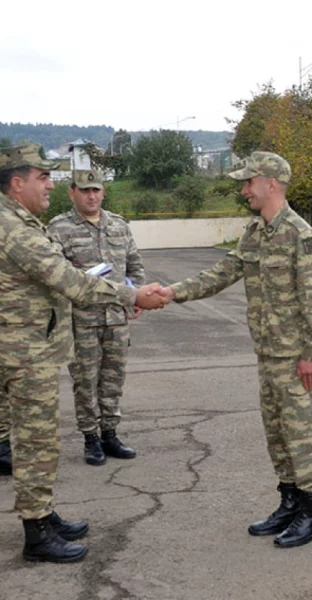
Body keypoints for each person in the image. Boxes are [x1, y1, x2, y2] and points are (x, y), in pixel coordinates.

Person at [153, 151, 312, 549]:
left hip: (293, 356)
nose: (244, 189)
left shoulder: (300, 235)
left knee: (302, 437)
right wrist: (172, 292)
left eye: (249, 182)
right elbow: (223, 272)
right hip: (267, 353)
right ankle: (289, 502)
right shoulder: (255, 232)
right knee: (277, 435)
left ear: (271, 183)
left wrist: (311, 354)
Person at [0, 143, 164, 563]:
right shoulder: (15, 228)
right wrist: (132, 295)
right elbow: (70, 281)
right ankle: (36, 533)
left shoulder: (21, 220)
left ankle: (42, 514)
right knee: (37, 442)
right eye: (42, 177)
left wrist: (132, 291)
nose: (49, 184)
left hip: (29, 346)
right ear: (17, 183)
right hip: (23, 351)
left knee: (41, 440)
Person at [48, 169, 144, 466]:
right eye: (85, 190)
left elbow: (134, 265)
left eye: (96, 190)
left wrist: (135, 293)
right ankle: (90, 438)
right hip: (81, 320)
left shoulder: (118, 225)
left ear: (103, 192)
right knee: (85, 382)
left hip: (116, 318)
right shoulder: (58, 228)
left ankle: (110, 434)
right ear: (72, 192)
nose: (91, 196)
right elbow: (55, 274)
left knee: (113, 379)